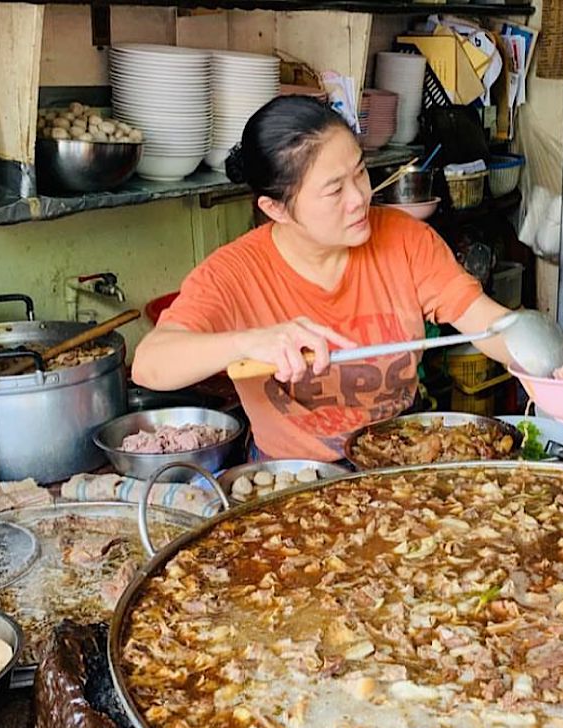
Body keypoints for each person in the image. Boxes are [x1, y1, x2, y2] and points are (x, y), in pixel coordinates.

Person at [131, 96, 516, 462]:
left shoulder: (406, 239)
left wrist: (548, 359)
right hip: (293, 480)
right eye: (334, 190)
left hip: (399, 463)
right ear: (276, 208)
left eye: (361, 172)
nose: (359, 197)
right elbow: (150, 364)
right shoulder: (234, 272)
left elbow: (486, 322)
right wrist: (250, 342)